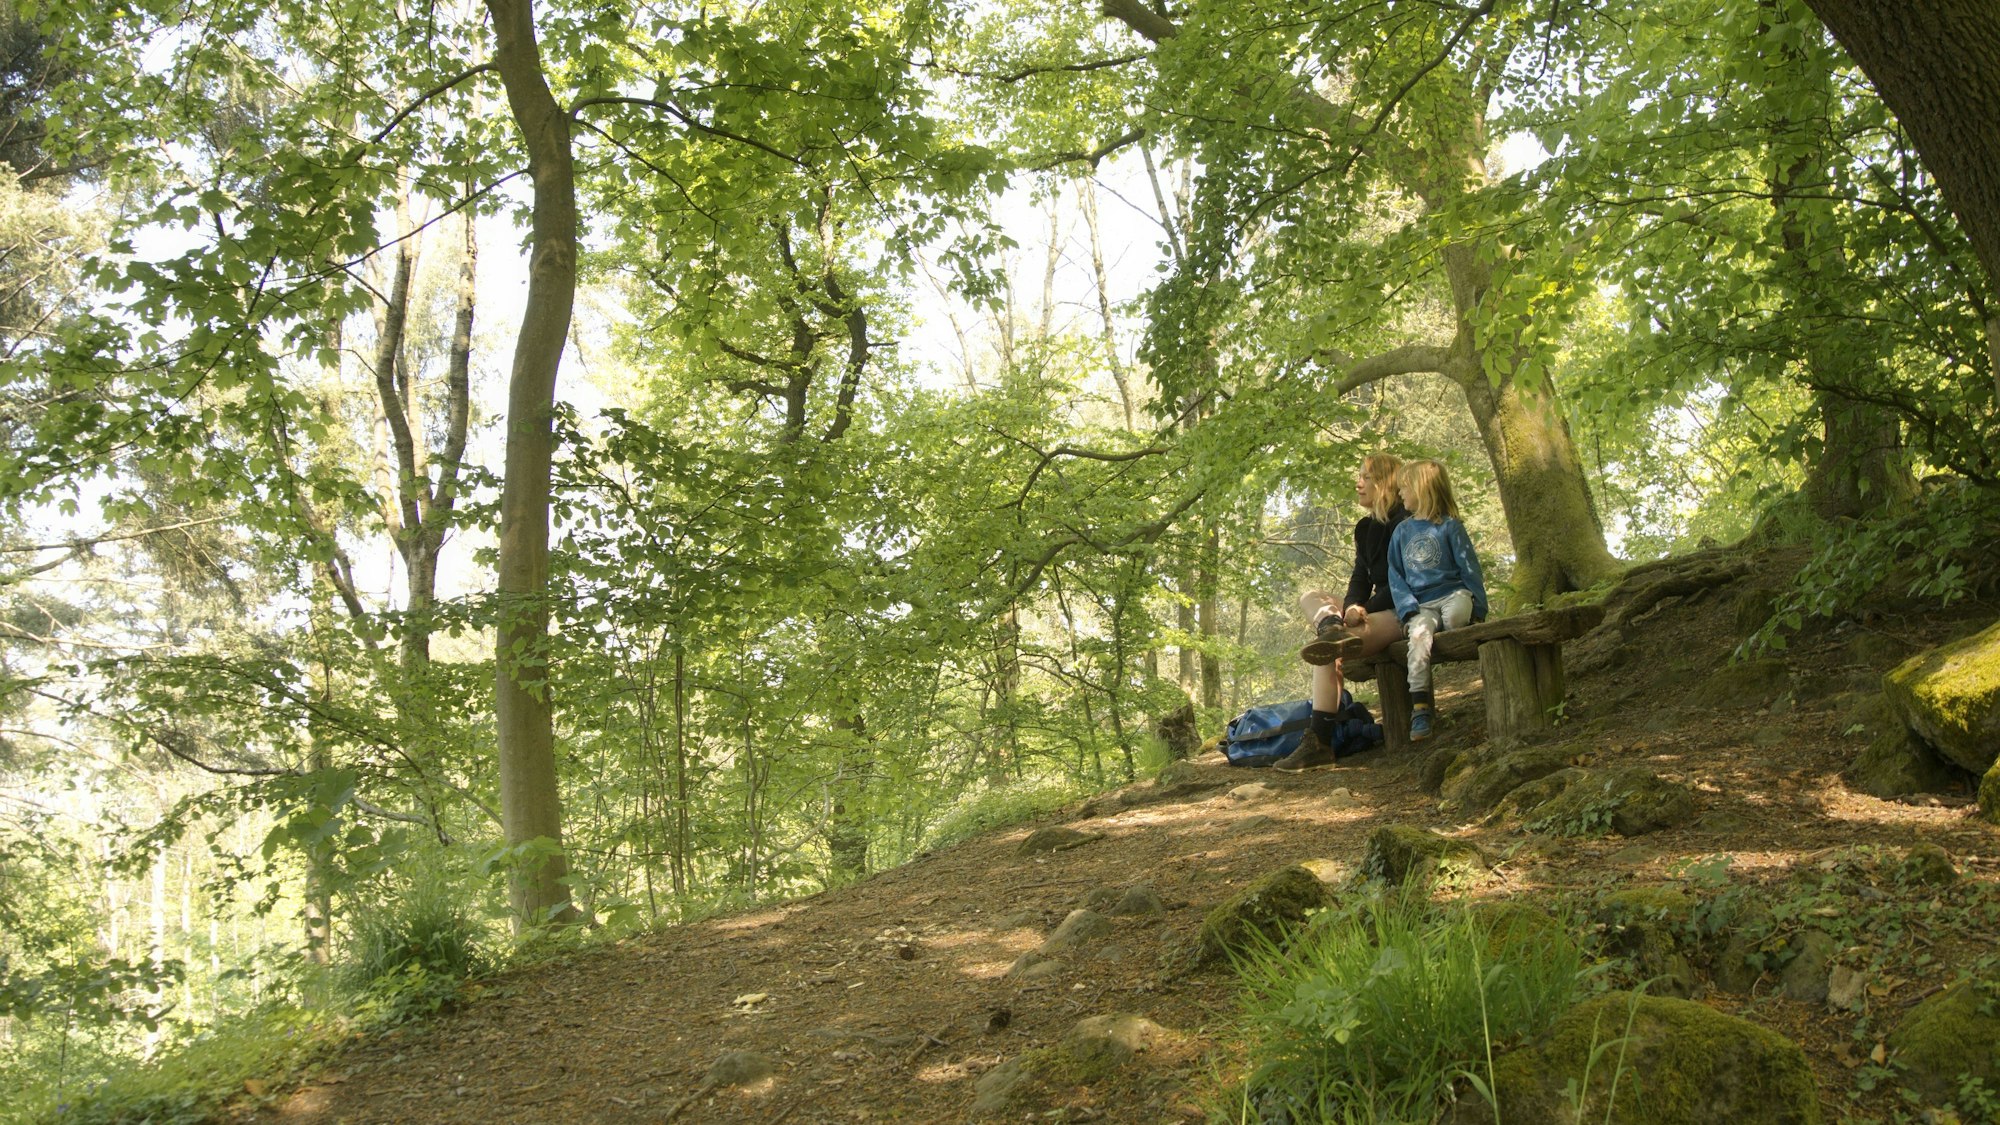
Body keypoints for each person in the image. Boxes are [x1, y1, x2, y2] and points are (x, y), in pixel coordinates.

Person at [1273, 453, 1408, 771]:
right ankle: (1330, 626)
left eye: (1366, 477)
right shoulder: (1366, 528)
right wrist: (1350, 608)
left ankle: (1318, 743)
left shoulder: (1406, 522)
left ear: (1386, 482)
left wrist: (1364, 610)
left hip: (1403, 609)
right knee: (1312, 597)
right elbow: (1359, 579)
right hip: (1370, 612)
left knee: (1328, 650)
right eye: (1359, 475)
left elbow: (1404, 584)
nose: (1358, 483)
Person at [1386, 459, 1489, 742]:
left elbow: (1470, 569)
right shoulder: (1401, 532)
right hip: (1422, 605)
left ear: (1423, 489)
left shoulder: (1450, 527)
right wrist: (1408, 612)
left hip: (1454, 594)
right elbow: (1396, 576)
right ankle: (1420, 708)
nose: (1400, 494)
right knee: (1419, 638)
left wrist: (1479, 607)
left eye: (1405, 488)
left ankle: (1450, 621)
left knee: (1456, 618)